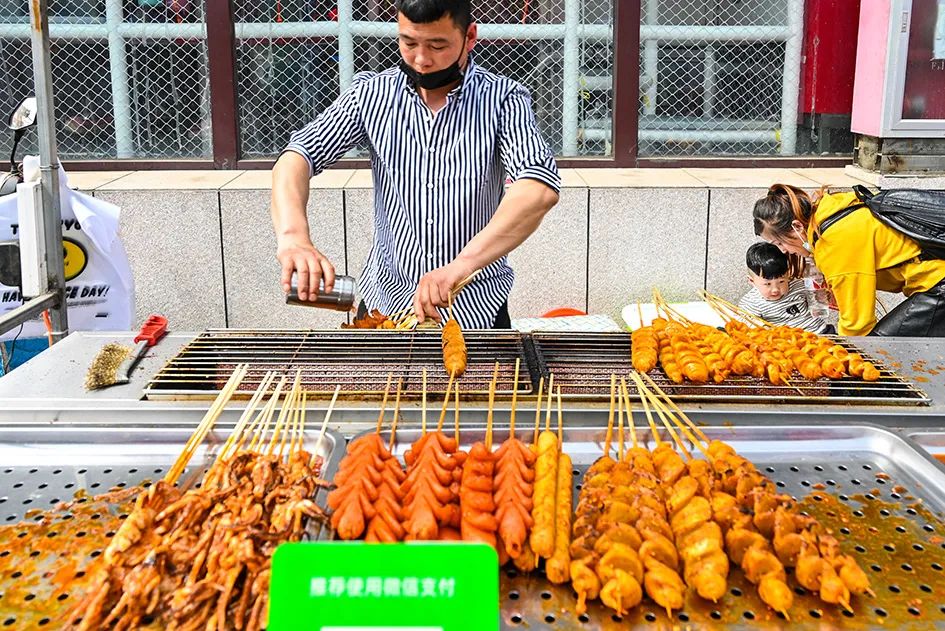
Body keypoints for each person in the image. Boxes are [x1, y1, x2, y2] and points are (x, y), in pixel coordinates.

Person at [270, 0, 560, 329]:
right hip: (385, 309)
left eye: (438, 45)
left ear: (470, 37)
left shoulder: (503, 99)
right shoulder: (370, 95)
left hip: (474, 313)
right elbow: (297, 156)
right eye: (409, 43)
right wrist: (294, 237)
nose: (421, 60)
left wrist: (461, 266)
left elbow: (538, 187)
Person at [752, 184, 945, 336]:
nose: (783, 250)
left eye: (779, 242)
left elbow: (857, 324)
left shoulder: (834, 242)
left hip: (939, 284)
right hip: (935, 279)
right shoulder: (829, 209)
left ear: (796, 227)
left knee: (880, 355)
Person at [738, 242, 832, 334]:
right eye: (767, 284)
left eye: (781, 281)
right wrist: (763, 329)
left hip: (819, 331)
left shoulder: (798, 285)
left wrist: (821, 298)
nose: (775, 289)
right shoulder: (751, 302)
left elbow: (816, 300)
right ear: (751, 281)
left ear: (788, 275)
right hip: (788, 342)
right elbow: (744, 324)